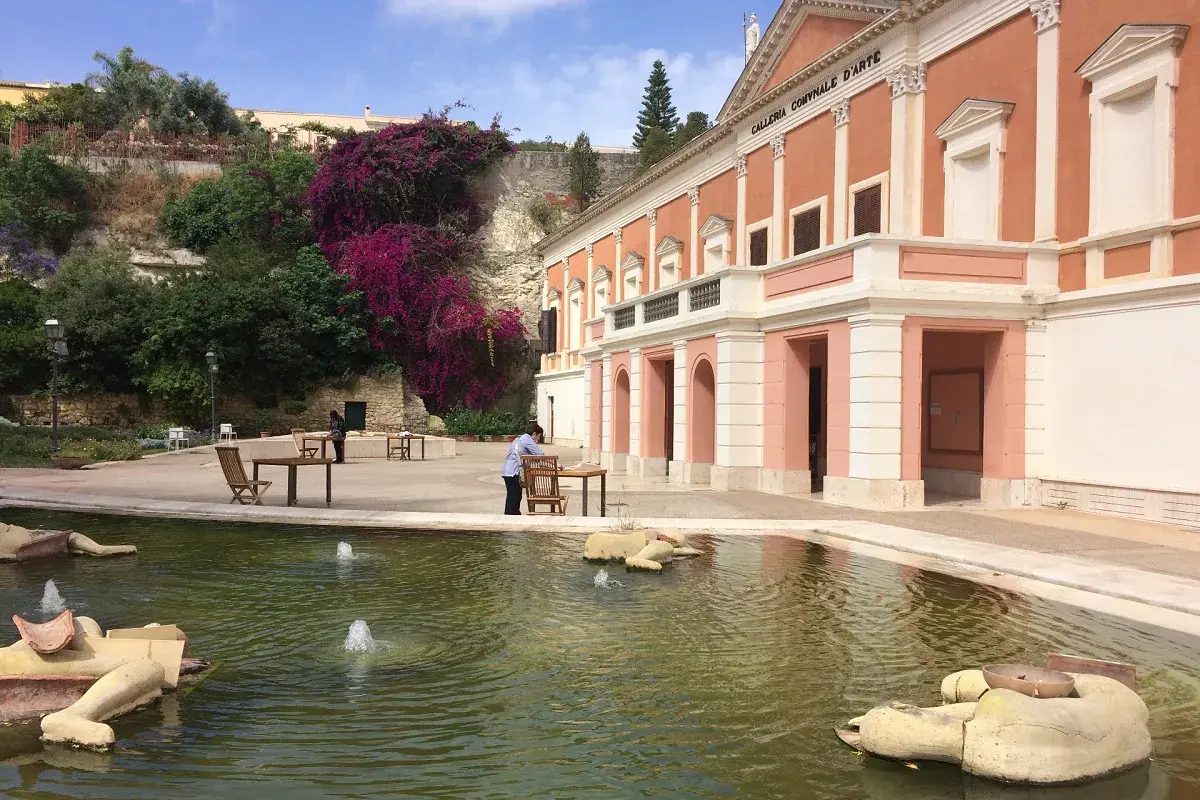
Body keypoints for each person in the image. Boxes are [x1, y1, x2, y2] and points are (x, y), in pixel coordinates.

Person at [501, 424, 545, 515]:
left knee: (515, 495)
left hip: (508, 470)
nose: (538, 439)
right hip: (514, 471)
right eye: (538, 436)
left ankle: (514, 514)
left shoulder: (518, 439)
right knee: (514, 496)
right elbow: (540, 454)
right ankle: (510, 516)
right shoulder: (527, 440)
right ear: (534, 434)